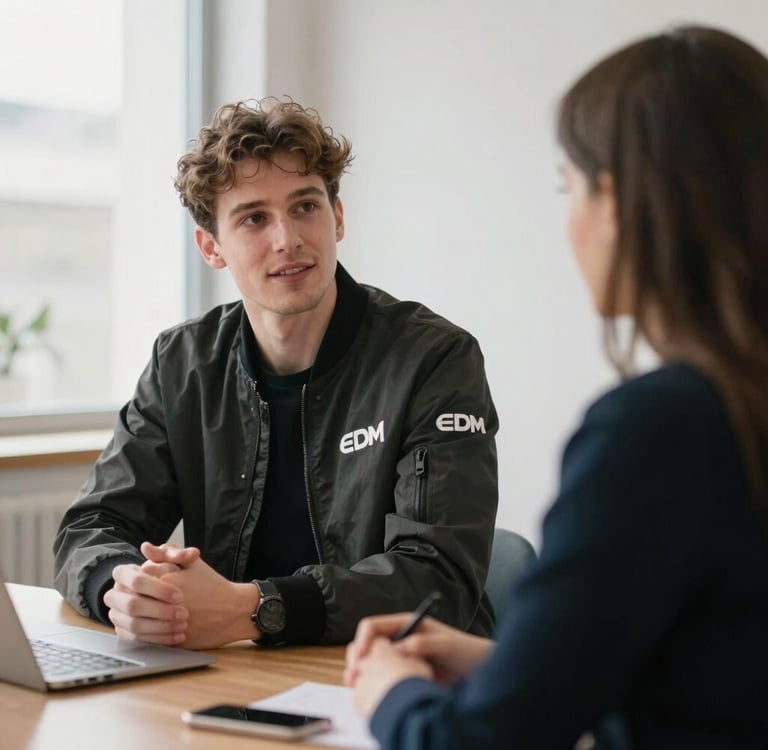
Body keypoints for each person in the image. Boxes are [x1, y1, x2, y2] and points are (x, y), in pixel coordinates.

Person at [345, 26, 768, 749]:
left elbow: (478, 745)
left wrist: (390, 692)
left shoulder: (658, 429)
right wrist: (508, 665)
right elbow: (718, 675)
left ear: (620, 204)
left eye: (567, 186)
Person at [53, 99, 499, 649]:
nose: (287, 238)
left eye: (305, 206)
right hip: (239, 672)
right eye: (254, 218)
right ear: (212, 246)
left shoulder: (433, 359)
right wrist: (121, 590)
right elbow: (90, 527)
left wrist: (255, 609)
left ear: (338, 217)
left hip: (402, 676)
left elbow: (440, 579)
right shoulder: (182, 365)